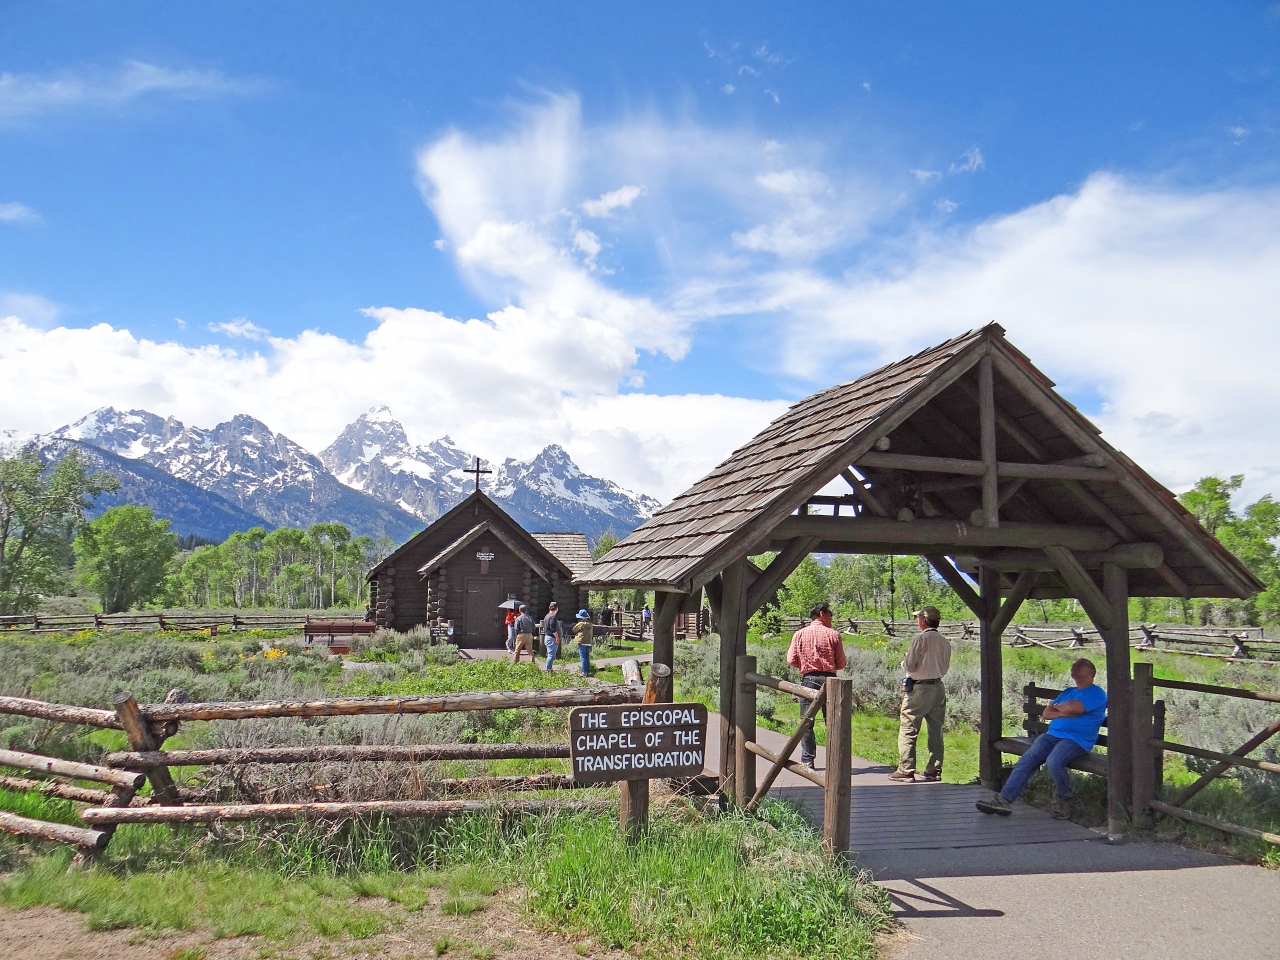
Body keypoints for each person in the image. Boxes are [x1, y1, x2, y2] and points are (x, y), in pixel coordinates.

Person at [977, 658, 1107, 819]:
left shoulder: (1096, 693)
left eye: (1080, 665)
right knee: (1027, 760)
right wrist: (1064, 711)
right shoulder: (1068, 692)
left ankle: (1067, 802)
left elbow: (1076, 709)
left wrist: (1061, 709)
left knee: (1054, 761)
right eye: (1074, 665)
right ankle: (1003, 800)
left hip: (1076, 740)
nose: (1075, 667)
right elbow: (1047, 713)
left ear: (1091, 672)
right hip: (1052, 735)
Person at [890, 606, 953, 783]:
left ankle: (906, 769)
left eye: (918, 618)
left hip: (919, 688)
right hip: (937, 686)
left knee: (908, 727)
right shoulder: (944, 641)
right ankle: (934, 769)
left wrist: (905, 660)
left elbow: (910, 665)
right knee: (936, 729)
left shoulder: (920, 638)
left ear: (923, 621)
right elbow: (945, 667)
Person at [785, 601, 847, 769]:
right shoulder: (833, 635)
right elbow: (842, 663)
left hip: (809, 679)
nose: (831, 617)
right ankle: (836, 761)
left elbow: (791, 659)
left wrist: (804, 664)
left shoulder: (799, 634)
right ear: (822, 614)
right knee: (833, 722)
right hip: (830, 681)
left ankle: (807, 760)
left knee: (807, 722)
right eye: (830, 614)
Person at [542, 602, 563, 672]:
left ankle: (550, 668)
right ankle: (548, 669)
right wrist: (557, 637)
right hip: (551, 638)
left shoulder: (547, 616)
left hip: (547, 637)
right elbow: (552, 629)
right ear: (557, 609)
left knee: (550, 654)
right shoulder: (553, 617)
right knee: (551, 655)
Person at [573, 609, 594, 675]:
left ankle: (584, 672)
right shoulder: (590, 624)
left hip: (582, 641)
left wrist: (578, 623)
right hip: (588, 642)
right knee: (587, 657)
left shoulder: (580, 624)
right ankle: (587, 671)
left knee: (583, 657)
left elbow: (574, 630)